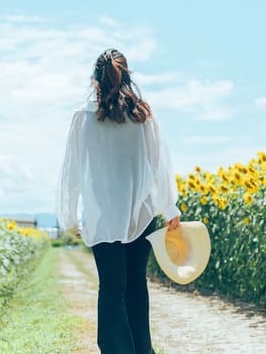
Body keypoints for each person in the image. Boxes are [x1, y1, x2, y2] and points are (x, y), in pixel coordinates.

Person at [55, 48, 181, 354]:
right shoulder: (143, 115)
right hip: (141, 213)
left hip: (102, 215)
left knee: (112, 287)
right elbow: (159, 163)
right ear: (128, 76)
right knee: (137, 285)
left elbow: (71, 171)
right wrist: (169, 207)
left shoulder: (83, 118)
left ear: (95, 79)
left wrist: (69, 217)